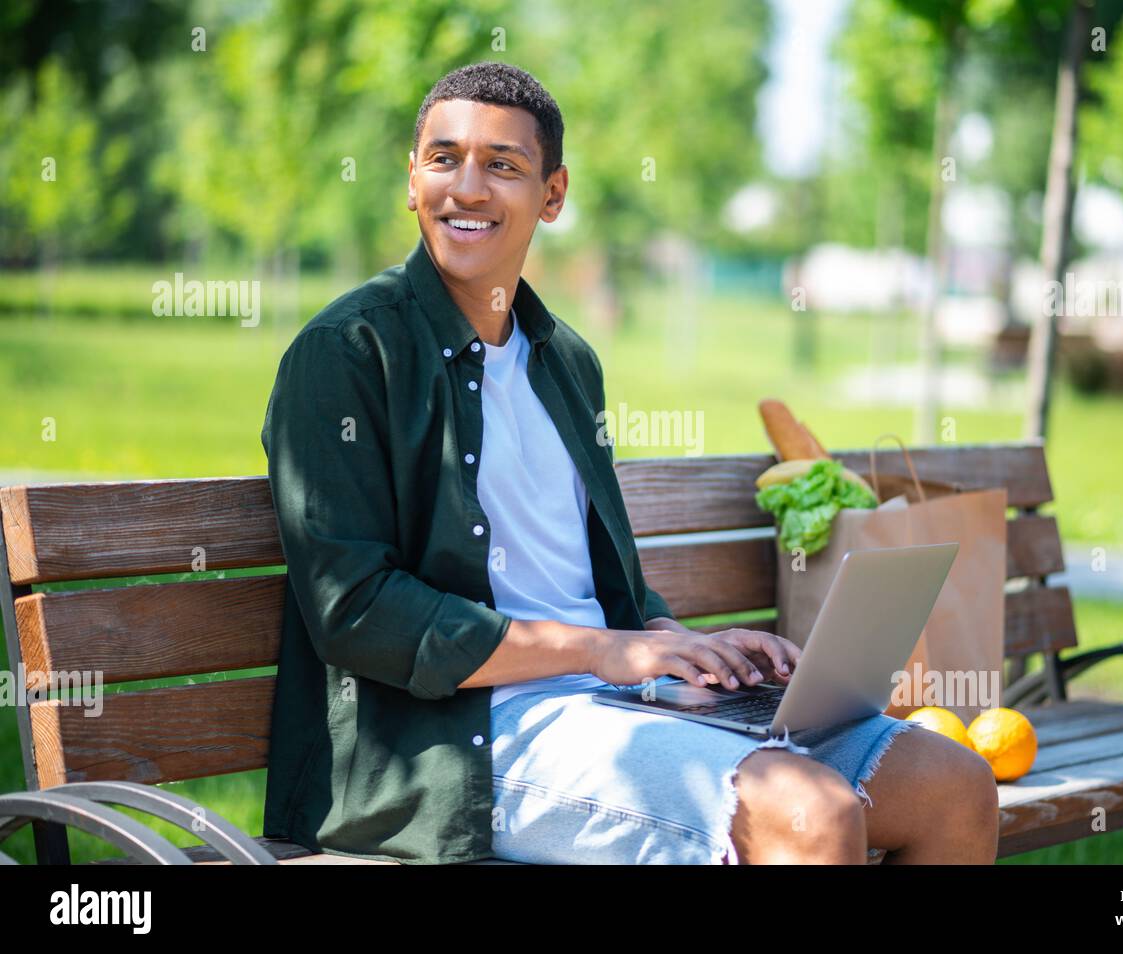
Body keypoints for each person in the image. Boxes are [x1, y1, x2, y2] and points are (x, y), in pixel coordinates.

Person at [260, 60, 999, 865]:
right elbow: (356, 612)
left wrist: (681, 642)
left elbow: (593, 583)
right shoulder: (346, 355)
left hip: (613, 702)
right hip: (454, 745)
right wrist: (602, 649)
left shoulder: (565, 362)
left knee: (954, 786)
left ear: (553, 194)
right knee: (808, 816)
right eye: (443, 159)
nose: (465, 188)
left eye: (502, 165)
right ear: (412, 180)